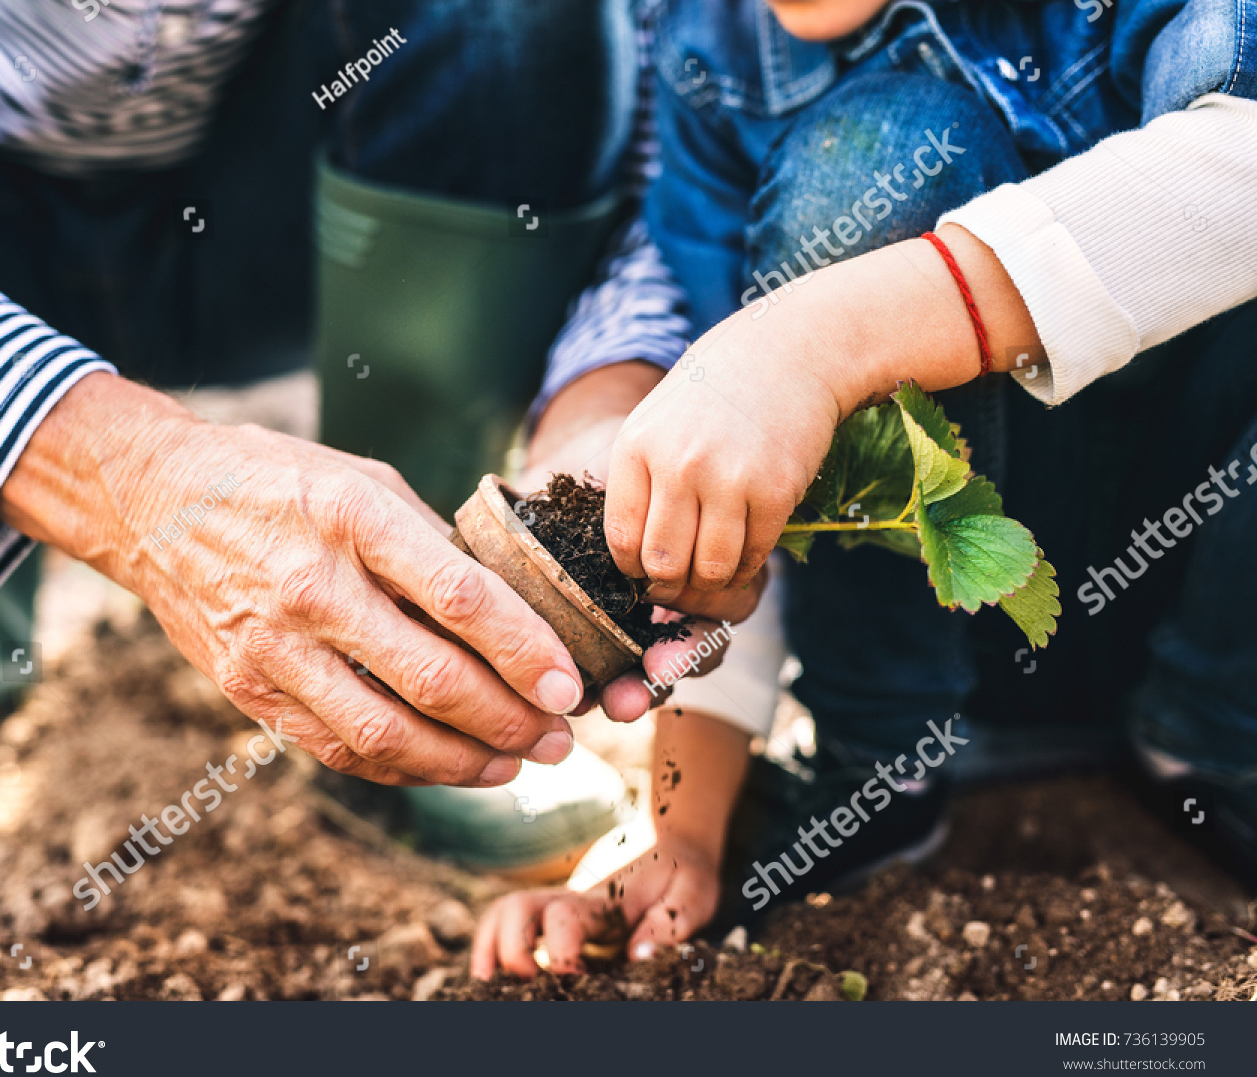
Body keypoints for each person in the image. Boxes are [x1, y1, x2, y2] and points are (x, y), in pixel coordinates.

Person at [0, 1, 753, 789]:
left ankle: (412, 637)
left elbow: (672, 90)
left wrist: (607, 386)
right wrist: (131, 480)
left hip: (261, 204)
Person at [472, 0, 1257, 977]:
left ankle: (1215, 742)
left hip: (1214, 589)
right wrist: (681, 829)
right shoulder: (709, 56)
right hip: (952, 644)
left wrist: (824, 340)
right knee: (881, 151)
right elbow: (727, 458)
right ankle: (880, 764)